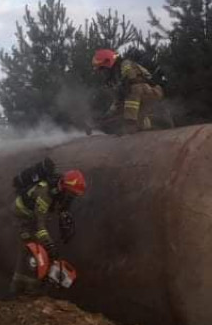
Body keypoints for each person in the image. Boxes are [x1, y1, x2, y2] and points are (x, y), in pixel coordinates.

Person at [11, 160, 86, 292]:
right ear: (63, 187)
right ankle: (24, 288)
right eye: (71, 194)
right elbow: (40, 224)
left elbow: (59, 208)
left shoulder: (61, 191)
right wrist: (49, 245)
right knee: (32, 246)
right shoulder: (45, 193)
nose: (71, 198)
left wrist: (64, 219)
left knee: (40, 245)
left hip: (35, 214)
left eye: (74, 195)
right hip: (23, 214)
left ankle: (35, 283)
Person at [91, 49, 164, 135]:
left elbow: (130, 78)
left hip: (150, 90)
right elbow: (118, 101)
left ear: (108, 63)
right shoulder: (115, 77)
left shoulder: (125, 64)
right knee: (126, 112)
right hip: (141, 94)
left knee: (132, 92)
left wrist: (122, 85)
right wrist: (107, 115)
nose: (102, 73)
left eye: (102, 69)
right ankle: (144, 128)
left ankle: (131, 125)